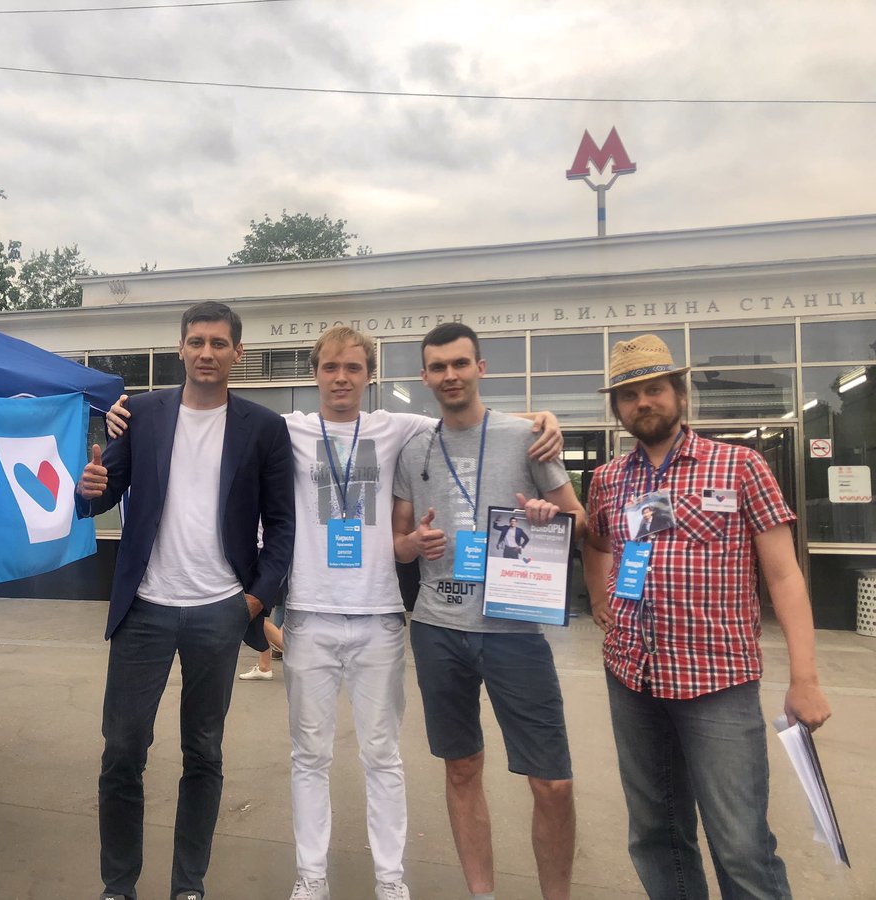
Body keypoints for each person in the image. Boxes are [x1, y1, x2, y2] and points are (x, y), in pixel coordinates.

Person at [108, 325, 562, 900]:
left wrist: (539, 418)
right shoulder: (285, 429)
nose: (341, 378)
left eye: (353, 368)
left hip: (379, 619)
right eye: (330, 368)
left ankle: (391, 880)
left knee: (383, 756)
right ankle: (311, 878)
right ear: (315, 374)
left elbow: (465, 416)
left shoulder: (396, 428)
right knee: (309, 757)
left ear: (369, 375)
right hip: (309, 618)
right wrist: (126, 414)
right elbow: (212, 423)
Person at [583, 334, 831, 900]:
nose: (643, 402)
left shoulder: (741, 466)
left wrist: (805, 677)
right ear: (617, 409)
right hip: (631, 677)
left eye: (654, 389)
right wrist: (600, 599)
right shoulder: (608, 479)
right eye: (629, 395)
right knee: (656, 835)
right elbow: (596, 543)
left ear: (680, 394)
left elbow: (784, 576)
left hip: (716, 683)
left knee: (741, 845)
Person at [76, 301, 295, 900]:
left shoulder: (263, 428)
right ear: (180, 348)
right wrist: (88, 489)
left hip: (219, 610)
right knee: (122, 751)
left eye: (219, 343)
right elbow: (101, 493)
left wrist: (255, 600)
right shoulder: (141, 415)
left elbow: (282, 525)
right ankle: (119, 885)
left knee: (203, 752)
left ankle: (187, 885)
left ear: (237, 354)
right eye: (196, 341)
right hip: (144, 607)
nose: (206, 353)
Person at [392, 322, 584, 900]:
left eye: (460, 363)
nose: (450, 375)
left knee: (552, 782)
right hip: (437, 628)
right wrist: (412, 545)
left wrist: (550, 520)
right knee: (461, 768)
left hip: (514, 628)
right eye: (438, 367)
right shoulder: (414, 449)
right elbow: (398, 541)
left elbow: (580, 521)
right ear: (424, 376)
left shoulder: (527, 436)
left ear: (480, 367)